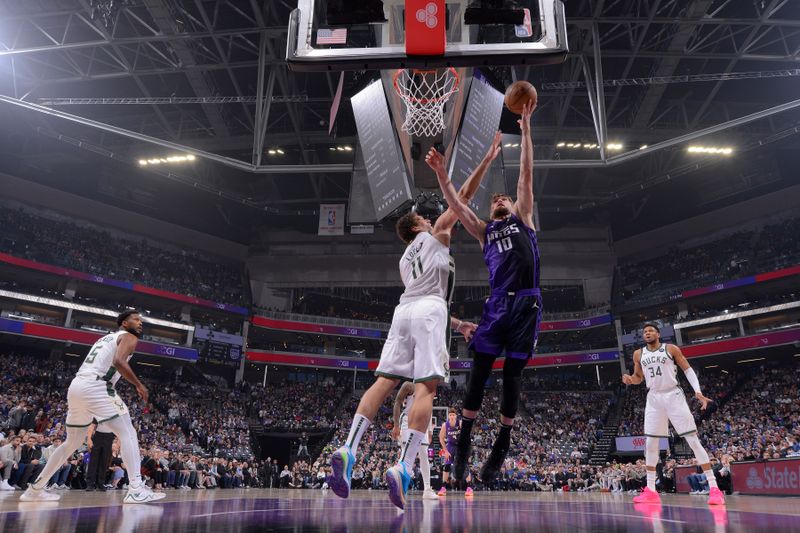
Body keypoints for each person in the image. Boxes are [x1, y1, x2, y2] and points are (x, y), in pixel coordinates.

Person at [328, 133, 504, 510]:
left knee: (385, 380)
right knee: (426, 388)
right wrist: (486, 160)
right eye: (424, 218)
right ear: (417, 226)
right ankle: (404, 468)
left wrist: (457, 326)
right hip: (428, 310)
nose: (430, 218)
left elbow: (422, 297)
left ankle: (348, 447)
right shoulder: (436, 233)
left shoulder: (405, 259)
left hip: (404, 310)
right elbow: (463, 199)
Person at [427, 103, 542, 485]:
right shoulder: (483, 231)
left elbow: (525, 175)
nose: (498, 200)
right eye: (494, 200)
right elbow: (457, 206)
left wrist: (524, 131)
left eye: (502, 199)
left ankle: (503, 441)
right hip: (496, 306)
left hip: (526, 303)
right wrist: (442, 174)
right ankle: (463, 447)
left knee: (512, 376)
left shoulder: (523, 218)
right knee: (477, 374)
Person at [20, 310, 166, 504]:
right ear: (124, 323)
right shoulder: (129, 337)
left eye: (141, 320)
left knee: (71, 442)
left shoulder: (105, 338)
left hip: (77, 386)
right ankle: (136, 488)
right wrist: (139, 385)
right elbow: (119, 362)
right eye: (136, 320)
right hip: (97, 386)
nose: (140, 323)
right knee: (128, 432)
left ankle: (35, 489)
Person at [622, 323, 725, 505]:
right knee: (650, 444)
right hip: (653, 398)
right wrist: (631, 379)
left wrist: (698, 392)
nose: (647, 333)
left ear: (658, 334)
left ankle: (714, 488)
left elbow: (687, 369)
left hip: (673, 395)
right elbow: (639, 377)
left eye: (651, 330)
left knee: (692, 440)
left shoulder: (670, 349)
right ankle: (651, 490)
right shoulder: (638, 354)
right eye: (644, 331)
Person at [391, 382, 438, 500]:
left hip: (423, 420)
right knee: (406, 455)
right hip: (407, 420)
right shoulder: (409, 385)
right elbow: (397, 402)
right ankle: (400, 486)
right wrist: (396, 425)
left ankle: (427, 488)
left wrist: (430, 431)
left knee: (424, 455)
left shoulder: (429, 388)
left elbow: (429, 409)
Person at [437, 408, 461, 496]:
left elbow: (466, 435)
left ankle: (469, 487)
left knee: (464, 465)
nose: (451, 416)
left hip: (459, 445)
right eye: (450, 415)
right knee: (446, 466)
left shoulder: (460, 423)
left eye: (453, 415)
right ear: (448, 416)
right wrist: (445, 451)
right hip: (450, 446)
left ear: (456, 416)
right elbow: (441, 438)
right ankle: (443, 488)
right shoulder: (445, 425)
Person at [85, 421, 115, 491]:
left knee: (104, 461)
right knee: (93, 461)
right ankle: (90, 484)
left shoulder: (115, 412)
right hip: (98, 435)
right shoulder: (99, 411)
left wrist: (118, 443)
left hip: (109, 436)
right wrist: (89, 439)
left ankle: (100, 483)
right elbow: (92, 425)